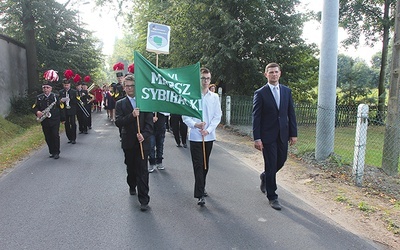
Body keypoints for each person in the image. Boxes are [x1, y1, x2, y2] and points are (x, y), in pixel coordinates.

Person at [252, 62, 297, 211]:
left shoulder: (286, 91)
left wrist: (293, 133)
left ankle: (265, 176)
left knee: (281, 161)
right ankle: (272, 196)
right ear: (266, 75)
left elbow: (291, 114)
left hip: (283, 134)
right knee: (271, 164)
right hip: (267, 136)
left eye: (276, 72)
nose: (274, 74)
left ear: (280, 73)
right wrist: (257, 138)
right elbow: (256, 117)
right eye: (271, 72)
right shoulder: (260, 93)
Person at [183, 67, 222, 206]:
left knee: (205, 165)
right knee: (198, 165)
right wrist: (196, 125)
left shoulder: (214, 97)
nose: (205, 81)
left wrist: (209, 129)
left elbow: (218, 116)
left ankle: (202, 185)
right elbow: (185, 116)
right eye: (202, 78)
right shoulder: (191, 96)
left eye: (207, 78)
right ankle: (199, 194)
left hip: (208, 136)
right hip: (195, 136)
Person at [115, 74, 153, 211]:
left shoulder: (145, 103)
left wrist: (144, 135)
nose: (130, 88)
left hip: (143, 142)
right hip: (129, 141)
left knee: (142, 170)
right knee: (131, 167)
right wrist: (132, 116)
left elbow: (150, 124)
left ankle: (144, 199)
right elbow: (118, 122)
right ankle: (132, 184)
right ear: (124, 88)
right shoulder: (120, 104)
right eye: (127, 86)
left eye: (132, 86)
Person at [33, 70, 64, 159]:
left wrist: (63, 119)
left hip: (55, 119)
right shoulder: (39, 98)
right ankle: (51, 151)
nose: (46, 89)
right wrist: (37, 112)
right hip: (45, 120)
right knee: (48, 136)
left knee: (55, 135)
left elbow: (61, 107)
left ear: (51, 88)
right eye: (44, 87)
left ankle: (57, 152)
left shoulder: (55, 96)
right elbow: (35, 107)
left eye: (47, 87)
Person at [59, 74, 78, 144]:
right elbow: (58, 101)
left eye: (67, 85)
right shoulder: (61, 92)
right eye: (65, 85)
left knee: (73, 123)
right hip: (64, 110)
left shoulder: (73, 92)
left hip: (72, 109)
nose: (66, 86)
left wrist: (71, 99)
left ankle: (73, 138)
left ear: (70, 85)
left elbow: (77, 101)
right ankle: (69, 137)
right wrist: (61, 100)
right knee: (66, 124)